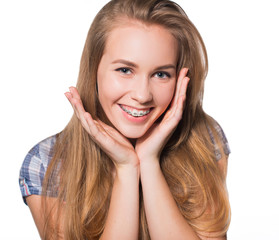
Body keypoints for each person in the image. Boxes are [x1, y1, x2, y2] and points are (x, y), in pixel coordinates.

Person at [19, 0, 231, 239]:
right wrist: (126, 168)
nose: (142, 95)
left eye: (161, 74)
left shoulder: (202, 139)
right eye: (125, 70)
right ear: (93, 69)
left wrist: (149, 161)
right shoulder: (46, 164)